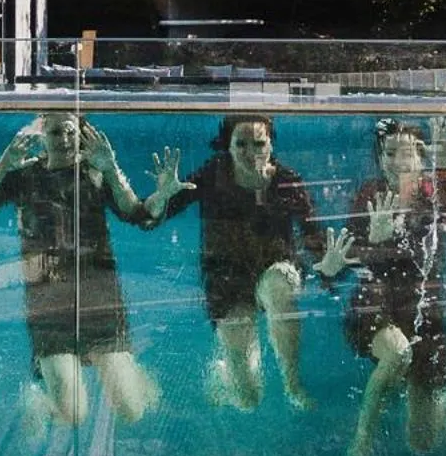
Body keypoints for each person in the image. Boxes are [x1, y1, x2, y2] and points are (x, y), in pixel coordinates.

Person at [145, 114, 356, 411]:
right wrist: (162, 196)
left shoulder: (287, 181)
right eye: (241, 144)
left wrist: (328, 268)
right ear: (228, 146)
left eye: (259, 144)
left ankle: (292, 382)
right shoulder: (213, 174)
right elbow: (151, 217)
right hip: (227, 279)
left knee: (277, 286)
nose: (250, 152)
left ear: (271, 145)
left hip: (277, 266)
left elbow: (313, 238)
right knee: (247, 400)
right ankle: (223, 373)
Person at [0, 110, 167, 426]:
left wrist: (112, 168)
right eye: (56, 133)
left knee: (131, 412)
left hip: (100, 299)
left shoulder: (94, 173)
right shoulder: (24, 177)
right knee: (73, 416)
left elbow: (135, 213)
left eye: (70, 132)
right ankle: (39, 402)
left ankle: (133, 377)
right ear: (42, 136)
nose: (65, 140)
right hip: (48, 304)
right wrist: (3, 165)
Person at [340, 119, 446, 456]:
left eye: (406, 153)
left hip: (424, 310)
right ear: (380, 158)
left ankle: (445, 388)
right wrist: (374, 242)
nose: (396, 161)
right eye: (389, 153)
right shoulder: (369, 195)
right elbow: (346, 257)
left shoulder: (433, 192)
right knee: (397, 354)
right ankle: (360, 448)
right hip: (376, 305)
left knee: (422, 443)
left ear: (422, 159)